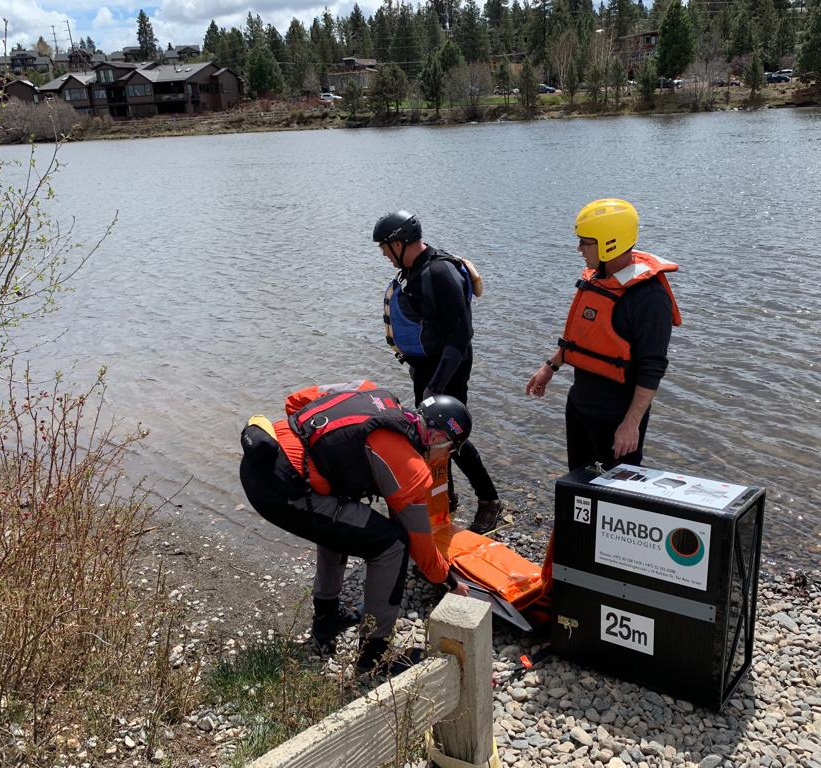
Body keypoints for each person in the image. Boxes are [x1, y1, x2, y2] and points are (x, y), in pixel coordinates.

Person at [239, 381, 471, 674]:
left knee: (342, 517)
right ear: (438, 437)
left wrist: (330, 461)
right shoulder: (411, 469)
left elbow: (296, 402)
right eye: (450, 449)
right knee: (392, 545)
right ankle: (374, 656)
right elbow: (422, 551)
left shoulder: (372, 390)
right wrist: (450, 581)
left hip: (261, 457)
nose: (445, 457)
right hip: (283, 491)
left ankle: (328, 618)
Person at [373, 210, 505, 533]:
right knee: (431, 437)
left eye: (384, 249)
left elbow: (460, 336)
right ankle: (445, 497)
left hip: (450, 367)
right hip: (428, 368)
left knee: (452, 436)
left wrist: (437, 386)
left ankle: (489, 501)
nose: (384, 257)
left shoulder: (439, 272)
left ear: (400, 243)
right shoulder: (413, 270)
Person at [526, 199, 681, 471]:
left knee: (617, 498)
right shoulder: (599, 278)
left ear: (611, 242)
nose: (579, 249)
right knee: (576, 486)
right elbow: (583, 335)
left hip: (618, 417)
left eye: (585, 242)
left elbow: (652, 367)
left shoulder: (650, 298)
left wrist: (631, 424)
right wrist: (550, 366)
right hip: (580, 406)